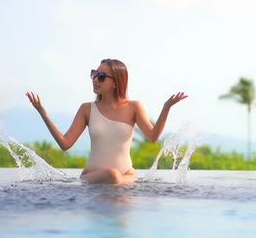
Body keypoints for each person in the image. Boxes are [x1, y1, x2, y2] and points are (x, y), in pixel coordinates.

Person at [25, 58, 188, 184]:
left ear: (116, 83)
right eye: (94, 74)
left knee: (117, 178)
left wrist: (166, 107)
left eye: (101, 76)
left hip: (127, 177)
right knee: (112, 175)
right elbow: (65, 144)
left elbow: (152, 137)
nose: (95, 79)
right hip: (92, 178)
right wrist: (42, 113)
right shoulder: (87, 109)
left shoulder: (134, 107)